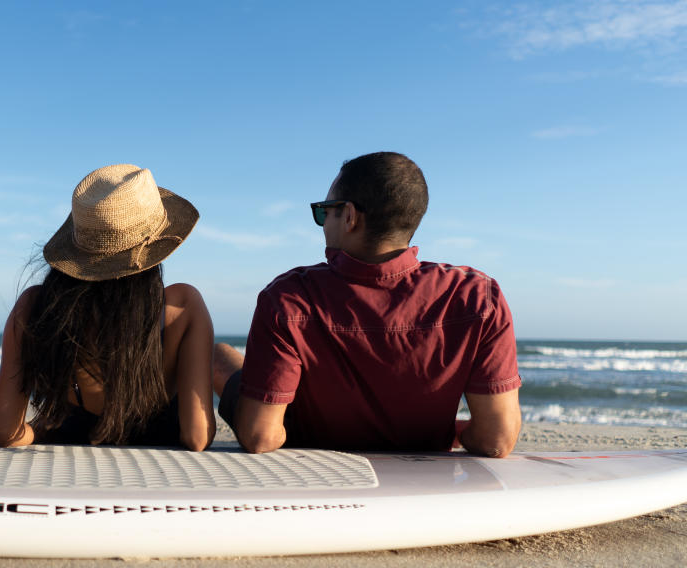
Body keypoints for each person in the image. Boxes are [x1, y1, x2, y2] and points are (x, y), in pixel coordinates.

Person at [214, 151, 522, 457]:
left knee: (217, 355)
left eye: (324, 212)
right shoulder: (476, 296)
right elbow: (496, 438)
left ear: (349, 216)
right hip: (423, 483)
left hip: (322, 480)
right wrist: (450, 431)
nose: (322, 223)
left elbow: (261, 436)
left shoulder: (290, 298)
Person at [0, 164, 215, 451]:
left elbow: (4, 431)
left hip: (71, 466)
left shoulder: (36, 307)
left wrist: (37, 433)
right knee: (224, 357)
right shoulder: (182, 306)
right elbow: (197, 438)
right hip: (156, 471)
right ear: (156, 248)